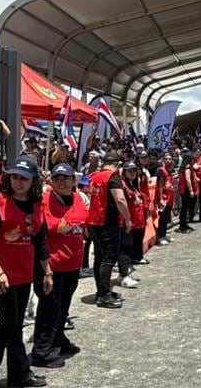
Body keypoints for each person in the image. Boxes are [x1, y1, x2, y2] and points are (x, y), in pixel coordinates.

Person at [0, 157, 50, 388]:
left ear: (33, 181)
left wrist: (47, 271)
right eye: (15, 177)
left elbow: (40, 240)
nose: (19, 183)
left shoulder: (37, 204)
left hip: (24, 271)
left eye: (24, 179)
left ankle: (19, 373)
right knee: (8, 323)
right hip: (2, 272)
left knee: (16, 323)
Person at [30, 163, 86, 368]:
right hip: (52, 265)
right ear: (51, 181)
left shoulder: (77, 198)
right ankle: (42, 351)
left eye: (66, 178)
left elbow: (78, 221)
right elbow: (56, 226)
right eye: (57, 179)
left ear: (73, 181)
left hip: (72, 263)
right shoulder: (45, 201)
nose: (62, 183)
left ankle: (58, 339)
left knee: (63, 307)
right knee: (49, 309)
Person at [87, 152, 132, 309]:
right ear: (117, 164)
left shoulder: (95, 176)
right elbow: (120, 199)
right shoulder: (113, 177)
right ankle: (104, 295)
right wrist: (127, 219)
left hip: (93, 221)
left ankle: (101, 291)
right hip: (107, 222)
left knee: (99, 258)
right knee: (108, 258)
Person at [117, 162, 146, 287]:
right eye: (130, 171)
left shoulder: (134, 185)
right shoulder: (123, 186)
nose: (133, 173)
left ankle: (123, 273)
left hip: (135, 222)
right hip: (125, 222)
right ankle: (124, 276)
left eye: (134, 170)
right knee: (125, 248)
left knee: (129, 248)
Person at [177, 153, 199, 234]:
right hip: (186, 191)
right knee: (184, 208)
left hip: (185, 190)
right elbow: (187, 179)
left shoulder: (186, 168)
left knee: (185, 208)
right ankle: (182, 226)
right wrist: (191, 191)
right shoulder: (187, 169)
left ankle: (184, 224)